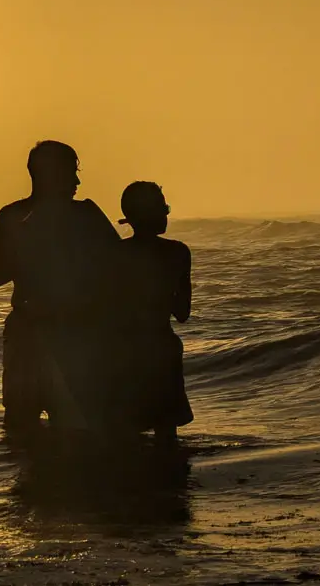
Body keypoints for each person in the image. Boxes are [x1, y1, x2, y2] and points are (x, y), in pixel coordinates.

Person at [0, 141, 119, 435]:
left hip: (76, 329)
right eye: (71, 172)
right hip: (31, 331)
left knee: (76, 421)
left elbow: (119, 263)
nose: (77, 181)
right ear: (50, 174)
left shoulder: (85, 214)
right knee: (21, 421)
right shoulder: (13, 217)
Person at [112, 181, 193, 445]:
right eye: (163, 207)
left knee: (125, 436)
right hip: (161, 347)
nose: (167, 213)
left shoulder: (115, 254)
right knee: (166, 434)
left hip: (123, 351)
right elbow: (182, 313)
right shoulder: (177, 253)